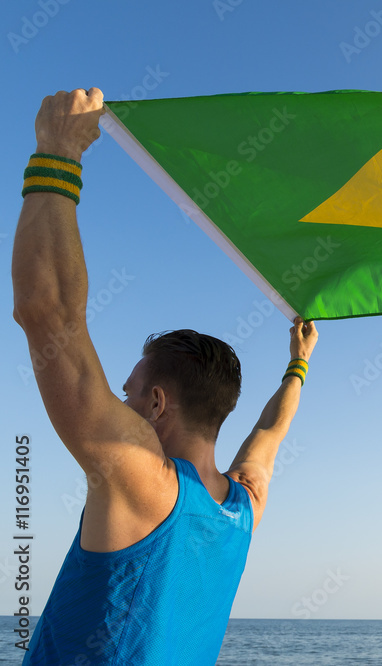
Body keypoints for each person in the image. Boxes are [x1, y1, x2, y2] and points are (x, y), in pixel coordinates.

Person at [12, 87, 319, 663]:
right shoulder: (242, 508)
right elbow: (272, 436)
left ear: (157, 404)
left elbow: (46, 313)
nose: (118, 404)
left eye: (126, 393)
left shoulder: (142, 479)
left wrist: (58, 154)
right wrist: (298, 362)